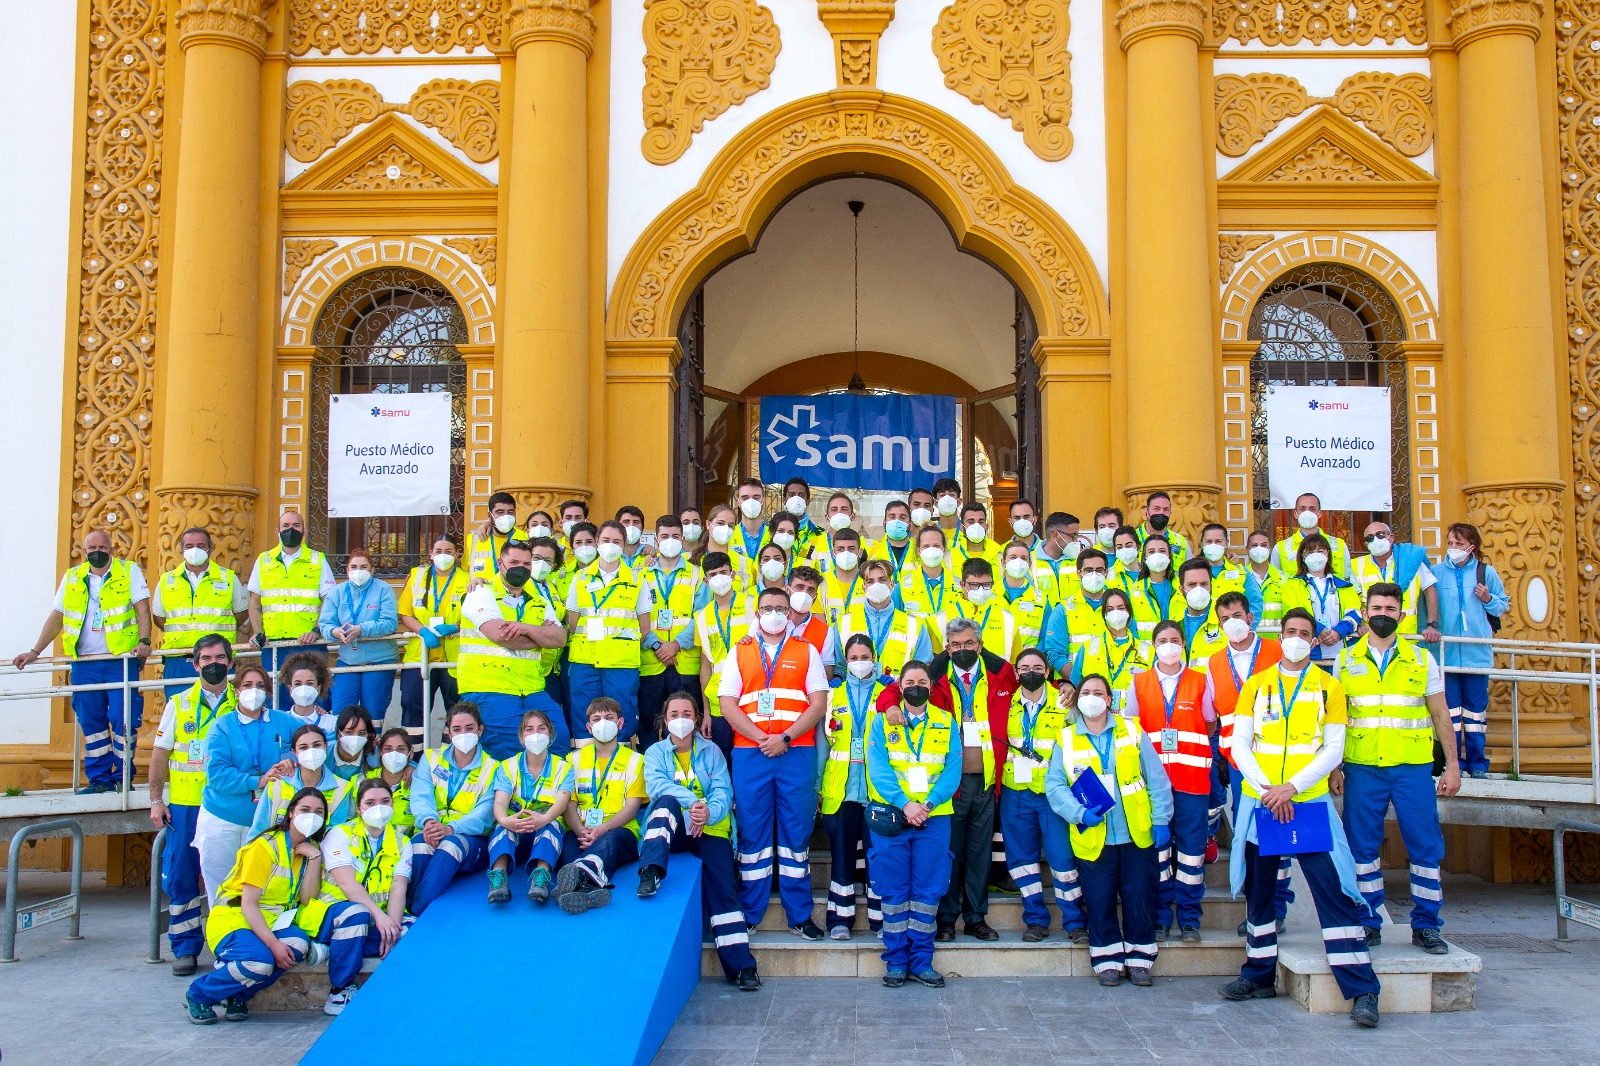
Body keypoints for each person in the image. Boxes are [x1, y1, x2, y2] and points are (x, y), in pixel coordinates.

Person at [1222, 608, 1382, 1028]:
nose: (1295, 637)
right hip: (1263, 802)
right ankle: (1257, 977)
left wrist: (1290, 789)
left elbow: (1333, 750)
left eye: (1303, 633)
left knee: (1333, 892)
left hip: (1307, 803)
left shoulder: (1330, 686)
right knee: (1260, 894)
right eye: (1289, 631)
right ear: (1281, 636)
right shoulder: (1256, 685)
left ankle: (1363, 990)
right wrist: (1270, 791)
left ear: (1313, 641)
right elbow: (1240, 745)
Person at [1336, 582, 1461, 954]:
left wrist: (1453, 766)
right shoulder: (1345, 660)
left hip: (1413, 768)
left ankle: (1426, 925)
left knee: (1425, 845)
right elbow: (1336, 721)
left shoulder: (1423, 659)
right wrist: (1333, 769)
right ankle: (1368, 920)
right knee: (1362, 847)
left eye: (1391, 609)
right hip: (1362, 768)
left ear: (1403, 615)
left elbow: (1441, 714)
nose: (1383, 615)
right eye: (1377, 608)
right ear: (1364, 612)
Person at [1046, 673, 1173, 986]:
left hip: (1136, 833)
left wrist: (1161, 819)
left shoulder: (1131, 730)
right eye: (1086, 691)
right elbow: (1054, 785)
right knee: (1100, 899)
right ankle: (1107, 961)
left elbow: (1156, 778)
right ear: (1078, 699)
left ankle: (1141, 961)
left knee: (1138, 897)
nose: (1091, 696)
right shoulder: (1066, 738)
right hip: (1094, 835)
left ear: (1109, 699)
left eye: (1098, 692)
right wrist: (1078, 813)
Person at [718, 586, 830, 938]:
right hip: (751, 753)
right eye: (767, 607)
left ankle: (800, 916)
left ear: (790, 613)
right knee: (753, 835)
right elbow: (727, 704)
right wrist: (760, 738)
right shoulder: (740, 651)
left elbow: (818, 704)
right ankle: (750, 911)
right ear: (757, 613)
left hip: (795, 752)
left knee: (796, 833)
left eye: (781, 608)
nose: (774, 613)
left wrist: (784, 738)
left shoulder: (806, 650)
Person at [13, 528, 153, 792]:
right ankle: (100, 780)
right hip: (84, 663)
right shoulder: (73, 577)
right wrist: (35, 651)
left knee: (123, 718)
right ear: (84, 551)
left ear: (112, 550)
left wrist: (144, 642)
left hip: (119, 660)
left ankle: (123, 779)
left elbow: (142, 608)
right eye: (92, 549)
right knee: (92, 722)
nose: (97, 552)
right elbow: (57, 617)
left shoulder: (128, 570)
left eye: (102, 548)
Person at [639, 691, 761, 990]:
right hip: (675, 827)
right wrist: (695, 803)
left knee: (724, 887)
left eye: (687, 714)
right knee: (665, 801)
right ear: (665, 721)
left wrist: (708, 812)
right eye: (674, 715)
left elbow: (723, 791)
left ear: (696, 718)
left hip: (710, 826)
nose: (681, 720)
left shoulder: (712, 751)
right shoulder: (655, 752)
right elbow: (656, 785)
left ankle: (741, 967)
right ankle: (651, 871)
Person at [184, 786, 329, 1025]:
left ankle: (238, 996)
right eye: (305, 809)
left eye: (318, 811)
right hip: (235, 917)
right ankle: (200, 993)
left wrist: (314, 858)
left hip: (270, 920)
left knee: (298, 945)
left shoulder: (308, 848)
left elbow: (306, 899)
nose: (311, 816)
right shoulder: (264, 846)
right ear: (291, 812)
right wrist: (273, 944)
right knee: (260, 962)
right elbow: (249, 904)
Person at [866, 660, 964, 988]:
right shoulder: (881, 723)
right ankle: (896, 961)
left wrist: (928, 804)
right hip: (893, 817)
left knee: (927, 890)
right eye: (910, 681)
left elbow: (952, 768)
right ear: (900, 686)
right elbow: (878, 768)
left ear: (931, 686)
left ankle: (922, 960)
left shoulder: (947, 721)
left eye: (922, 681)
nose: (916, 686)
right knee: (893, 889)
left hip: (933, 819)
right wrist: (905, 804)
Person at [148, 634, 240, 975]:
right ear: (195, 664)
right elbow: (160, 755)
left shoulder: (243, 702)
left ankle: (228, 944)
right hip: (186, 806)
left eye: (220, 658)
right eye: (206, 658)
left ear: (231, 663)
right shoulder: (178, 703)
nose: (213, 664)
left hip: (228, 805)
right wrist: (156, 799)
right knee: (182, 876)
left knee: (229, 876)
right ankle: (185, 949)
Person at [1207, 591, 1291, 932]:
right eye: (1225, 619)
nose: (1233, 623)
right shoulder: (1214, 662)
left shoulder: (1277, 651)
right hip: (1240, 766)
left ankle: (1278, 910)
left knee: (1278, 834)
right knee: (1249, 835)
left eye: (1238, 615)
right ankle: (1256, 908)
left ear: (1251, 617)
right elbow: (1213, 716)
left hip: (1280, 761)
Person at [1123, 620, 1213, 942]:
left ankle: (1189, 919)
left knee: (1190, 853)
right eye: (1163, 640)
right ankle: (1161, 917)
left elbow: (1209, 725)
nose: (1169, 645)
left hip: (1192, 783)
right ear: (1153, 645)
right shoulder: (1140, 682)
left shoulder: (1202, 681)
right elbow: (1131, 730)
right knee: (1158, 853)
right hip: (1153, 785)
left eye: (1175, 639)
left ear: (1184, 644)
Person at [929, 617, 1011, 942]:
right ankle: (946, 918)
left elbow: (1028, 683)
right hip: (952, 783)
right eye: (956, 645)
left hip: (986, 781)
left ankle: (976, 917)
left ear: (979, 645)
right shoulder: (936, 679)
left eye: (968, 644)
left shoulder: (998, 677)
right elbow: (894, 693)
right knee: (950, 852)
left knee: (979, 853)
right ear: (947, 649)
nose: (963, 650)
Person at [1000, 648, 1086, 943]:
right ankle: (1035, 920)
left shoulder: (1065, 703)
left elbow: (1079, 748)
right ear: (1015, 672)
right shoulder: (1004, 705)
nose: (1031, 672)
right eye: (1024, 667)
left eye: (1038, 667)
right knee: (1022, 861)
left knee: (1062, 859)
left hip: (1054, 796)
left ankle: (1074, 922)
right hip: (1016, 794)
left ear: (1048, 672)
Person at [194, 662, 297, 903]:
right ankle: (224, 939)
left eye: (260, 685)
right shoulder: (222, 726)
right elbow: (217, 774)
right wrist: (257, 781)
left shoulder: (284, 721)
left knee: (261, 891)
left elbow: (314, 741)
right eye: (248, 685)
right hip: (223, 819)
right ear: (237, 690)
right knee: (221, 893)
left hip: (265, 821)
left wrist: (293, 759)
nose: (254, 690)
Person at [458, 538, 570, 759]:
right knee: (507, 749)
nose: (522, 568)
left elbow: (559, 638)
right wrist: (540, 634)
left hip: (531, 688)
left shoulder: (538, 599)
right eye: (515, 561)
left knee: (558, 739)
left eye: (527, 564)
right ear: (500, 563)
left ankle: (547, 793)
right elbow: (500, 636)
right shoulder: (480, 592)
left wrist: (523, 628)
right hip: (489, 688)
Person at [313, 777, 411, 1016]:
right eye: (370, 802)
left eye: (385, 801)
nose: (378, 808)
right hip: (332, 913)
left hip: (373, 919)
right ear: (359, 808)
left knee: (415, 929)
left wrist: (393, 927)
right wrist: (380, 917)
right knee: (357, 914)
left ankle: (340, 948)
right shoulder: (339, 834)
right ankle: (340, 989)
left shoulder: (402, 841)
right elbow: (347, 884)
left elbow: (399, 886)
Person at [819, 636, 887, 940]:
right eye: (854, 656)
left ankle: (881, 919)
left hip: (877, 792)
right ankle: (839, 920)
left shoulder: (888, 694)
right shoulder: (833, 695)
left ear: (874, 657)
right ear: (845, 660)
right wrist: (818, 788)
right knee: (842, 856)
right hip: (841, 789)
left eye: (865, 655)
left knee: (879, 856)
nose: (860, 661)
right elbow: (823, 745)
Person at [1429, 522, 1509, 778]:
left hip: (1477, 654)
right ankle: (1454, 762)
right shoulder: (1436, 573)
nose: (1454, 548)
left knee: (1475, 712)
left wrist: (1487, 598)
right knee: (1450, 712)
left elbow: (1501, 607)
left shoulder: (1486, 573)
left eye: (1459, 544)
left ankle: (1477, 763)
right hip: (1446, 654)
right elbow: (1428, 609)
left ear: (1471, 547)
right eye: (1451, 543)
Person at [558, 697, 647, 914]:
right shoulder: (573, 760)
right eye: (596, 719)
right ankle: (589, 890)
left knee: (609, 843)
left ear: (620, 723)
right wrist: (580, 830)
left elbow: (632, 807)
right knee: (568, 858)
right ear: (588, 727)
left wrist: (601, 829)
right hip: (580, 829)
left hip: (619, 830)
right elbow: (569, 803)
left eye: (609, 717)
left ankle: (574, 885)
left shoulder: (636, 760)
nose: (603, 722)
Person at [407, 703, 498, 915]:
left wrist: (450, 828)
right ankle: (404, 909)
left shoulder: (494, 767)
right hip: (432, 829)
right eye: (457, 729)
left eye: (469, 728)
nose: (463, 733)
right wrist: (429, 822)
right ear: (448, 732)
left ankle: (416, 912)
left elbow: (485, 813)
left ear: (480, 730)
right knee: (418, 845)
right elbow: (421, 795)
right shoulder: (430, 758)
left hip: (469, 838)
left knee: (450, 846)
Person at [566, 520, 652, 741]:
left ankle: (621, 767)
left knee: (621, 717)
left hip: (621, 664)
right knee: (583, 715)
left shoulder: (637, 579)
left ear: (624, 546)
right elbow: (573, 623)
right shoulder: (580, 578)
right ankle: (584, 766)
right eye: (606, 540)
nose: (610, 545)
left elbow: (645, 627)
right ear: (596, 542)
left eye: (616, 541)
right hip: (585, 662)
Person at [246, 510, 337, 711]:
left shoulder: (318, 560)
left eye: (296, 526)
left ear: (304, 531)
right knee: (277, 701)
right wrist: (258, 632)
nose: (291, 530)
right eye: (286, 526)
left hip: (310, 644)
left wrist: (316, 630)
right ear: (277, 531)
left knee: (316, 699)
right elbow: (254, 603)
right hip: (274, 645)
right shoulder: (264, 560)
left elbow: (329, 601)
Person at [487, 708, 572, 904]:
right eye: (529, 729)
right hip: (516, 828)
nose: (535, 734)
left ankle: (540, 877)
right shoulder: (507, 766)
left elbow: (561, 801)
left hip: (543, 825)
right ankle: (498, 878)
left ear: (550, 734)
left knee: (552, 826)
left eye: (541, 729)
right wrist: (505, 819)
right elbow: (500, 802)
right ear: (521, 736)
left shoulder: (564, 767)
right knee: (501, 827)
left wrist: (544, 818)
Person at [152, 526, 249, 697]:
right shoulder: (167, 580)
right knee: (180, 714)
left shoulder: (228, 578)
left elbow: (241, 614)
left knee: (220, 713)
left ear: (211, 548)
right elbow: (159, 619)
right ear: (181, 549)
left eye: (201, 545)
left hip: (217, 661)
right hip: (179, 660)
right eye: (189, 546)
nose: (195, 550)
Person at [397, 536, 467, 751]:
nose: (443, 555)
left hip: (452, 655)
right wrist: (423, 631)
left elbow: (474, 616)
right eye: (438, 550)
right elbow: (405, 614)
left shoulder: (467, 579)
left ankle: (450, 756)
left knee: (456, 709)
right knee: (412, 704)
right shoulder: (417, 576)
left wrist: (455, 627)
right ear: (431, 554)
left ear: (457, 555)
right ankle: (413, 758)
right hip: (420, 653)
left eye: (449, 551)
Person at [638, 515, 701, 743]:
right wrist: (657, 645)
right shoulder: (640, 575)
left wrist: (675, 645)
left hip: (684, 662)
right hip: (650, 662)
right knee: (649, 725)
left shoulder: (697, 573)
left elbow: (701, 616)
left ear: (683, 539)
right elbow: (635, 616)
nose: (670, 540)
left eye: (675, 536)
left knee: (687, 725)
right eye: (664, 536)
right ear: (656, 539)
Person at [318, 547, 399, 715]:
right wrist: (335, 632)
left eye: (363, 567)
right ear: (347, 570)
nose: (358, 571)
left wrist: (362, 630)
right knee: (341, 711)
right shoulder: (336, 593)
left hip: (380, 660)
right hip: (348, 660)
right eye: (354, 567)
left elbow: (390, 623)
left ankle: (373, 740)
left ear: (372, 569)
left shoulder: (384, 589)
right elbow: (325, 624)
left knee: (373, 714)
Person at [694, 550, 753, 760]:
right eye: (713, 574)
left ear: (733, 575)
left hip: (750, 697)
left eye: (723, 572)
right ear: (706, 580)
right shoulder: (701, 617)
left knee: (749, 755)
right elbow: (705, 667)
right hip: (719, 702)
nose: (719, 578)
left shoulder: (752, 605)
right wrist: (707, 713)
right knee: (724, 757)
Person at [249, 723, 357, 837]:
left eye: (317, 745)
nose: (311, 751)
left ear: (326, 746)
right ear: (294, 752)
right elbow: (259, 828)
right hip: (277, 851)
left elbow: (335, 836)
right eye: (303, 747)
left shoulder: (342, 788)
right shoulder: (278, 781)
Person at [830, 559, 931, 679]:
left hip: (898, 696)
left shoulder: (915, 625)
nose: (876, 585)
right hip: (856, 695)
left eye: (882, 580)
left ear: (892, 584)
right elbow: (839, 668)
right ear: (864, 588)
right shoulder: (843, 623)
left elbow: (923, 669)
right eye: (870, 581)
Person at [1280, 533, 1362, 672]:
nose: (1316, 555)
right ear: (1303, 556)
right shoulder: (1292, 585)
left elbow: (1354, 613)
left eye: (1320, 551)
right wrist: (1318, 630)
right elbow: (1293, 613)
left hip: (1341, 653)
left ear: (1328, 554)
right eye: (1310, 552)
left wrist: (1338, 632)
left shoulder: (1344, 585)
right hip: (1308, 653)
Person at [1352, 520, 1441, 641]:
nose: (1376, 540)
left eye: (1380, 535)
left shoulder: (1411, 561)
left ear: (1391, 537)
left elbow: (1430, 590)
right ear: (1366, 545)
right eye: (1370, 538)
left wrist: (1432, 625)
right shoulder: (1356, 565)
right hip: (1371, 636)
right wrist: (1359, 625)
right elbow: (1351, 600)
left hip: (1406, 636)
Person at [1000, 540, 1068, 672]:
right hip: (995, 672)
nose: (1018, 562)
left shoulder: (1041, 600)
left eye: (1023, 558)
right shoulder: (990, 595)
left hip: (1029, 672)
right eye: (1013, 557)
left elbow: (1046, 638)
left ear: (1029, 564)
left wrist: (1030, 665)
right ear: (1003, 562)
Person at [931, 560, 1016, 660]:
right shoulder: (939, 619)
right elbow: (935, 662)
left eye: (986, 584)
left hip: (997, 675)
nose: (981, 590)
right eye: (974, 585)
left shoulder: (1008, 619)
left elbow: (1015, 661)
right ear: (962, 584)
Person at [1272, 492, 1353, 579]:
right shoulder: (1280, 548)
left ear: (1319, 513)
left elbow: (1348, 578)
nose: (1307, 513)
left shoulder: (1339, 545)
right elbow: (1276, 581)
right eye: (1302, 509)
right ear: (1296, 514)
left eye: (1312, 509)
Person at [1061, 548, 1113, 658]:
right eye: (1088, 570)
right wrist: (1075, 675)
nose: (1094, 575)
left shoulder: (1118, 607)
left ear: (1106, 573)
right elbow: (1055, 653)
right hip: (1072, 674)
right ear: (1079, 573)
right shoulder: (1062, 609)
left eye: (1099, 570)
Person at [1175, 559, 1226, 671]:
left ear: (1211, 586)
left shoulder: (1225, 622)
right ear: (1181, 589)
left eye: (1204, 584)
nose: (1199, 590)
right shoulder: (1175, 624)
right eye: (1192, 585)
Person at [1127, 533, 1178, 639]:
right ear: (1144, 558)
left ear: (1169, 556)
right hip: (1144, 653)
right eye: (1151, 552)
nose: (1157, 555)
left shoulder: (1181, 587)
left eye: (1162, 551)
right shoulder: (1132, 590)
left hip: (1176, 650)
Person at [368, 727, 416, 835]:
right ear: (380, 753)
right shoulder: (362, 781)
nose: (394, 754)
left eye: (401, 749)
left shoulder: (419, 785)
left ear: (410, 754)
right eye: (388, 749)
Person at [899, 525, 953, 621]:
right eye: (926, 546)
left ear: (944, 549)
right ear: (918, 551)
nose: (931, 550)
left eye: (936, 546)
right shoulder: (902, 586)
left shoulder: (958, 585)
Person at [280, 652, 336, 738]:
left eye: (309, 683)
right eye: (298, 684)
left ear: (318, 688)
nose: (303, 688)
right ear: (290, 689)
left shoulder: (331, 723)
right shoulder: (280, 721)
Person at [466, 491, 520, 580]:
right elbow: (465, 568)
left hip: (512, 593)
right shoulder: (474, 539)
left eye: (510, 512)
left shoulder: (526, 538)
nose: (505, 516)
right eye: (500, 512)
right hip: (484, 592)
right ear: (489, 515)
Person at [1031, 511, 1084, 602]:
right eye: (1073, 536)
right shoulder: (1030, 561)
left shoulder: (1079, 560)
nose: (1076, 540)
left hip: (1073, 616)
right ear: (1055, 535)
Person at [1242, 530, 1286, 634]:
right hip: (1247, 642)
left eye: (1263, 545)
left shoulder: (1285, 579)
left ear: (1270, 549)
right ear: (1247, 549)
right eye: (1254, 545)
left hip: (1277, 642)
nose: (1259, 548)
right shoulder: (1240, 577)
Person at [730, 479, 771, 591]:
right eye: (745, 498)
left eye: (756, 497)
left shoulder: (774, 535)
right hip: (736, 603)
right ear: (738, 502)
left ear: (764, 500)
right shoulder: (728, 536)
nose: (751, 502)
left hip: (767, 601)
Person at [818, 526, 864, 622]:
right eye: (840, 549)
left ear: (860, 553)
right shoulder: (821, 584)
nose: (846, 553)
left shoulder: (869, 581)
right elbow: (819, 625)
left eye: (851, 549)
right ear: (833, 553)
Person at [1196, 523, 1248, 603]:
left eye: (1218, 541)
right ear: (1202, 544)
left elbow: (1255, 602)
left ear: (1226, 543)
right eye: (1209, 541)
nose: (1213, 545)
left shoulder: (1242, 572)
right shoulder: (1191, 572)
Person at [1136, 491, 1191, 565]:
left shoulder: (1180, 542)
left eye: (1166, 509)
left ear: (1170, 513)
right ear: (1146, 511)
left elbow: (1190, 572)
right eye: (1156, 508)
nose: (1161, 513)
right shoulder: (1131, 539)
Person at [869, 499, 917, 580]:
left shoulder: (919, 550)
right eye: (892, 517)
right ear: (884, 523)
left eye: (902, 517)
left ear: (910, 524)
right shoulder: (873, 550)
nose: (897, 521)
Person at [329, 705, 376, 780]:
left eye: (361, 733)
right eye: (349, 732)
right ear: (338, 733)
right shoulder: (325, 754)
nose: (355, 738)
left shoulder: (376, 757)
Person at [953, 503, 1003, 571]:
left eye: (981, 522)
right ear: (961, 528)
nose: (976, 526)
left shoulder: (1000, 555)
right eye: (971, 522)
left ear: (987, 526)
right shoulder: (950, 556)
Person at [615, 504, 651, 569]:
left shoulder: (650, 555)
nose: (631, 526)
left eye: (636, 522)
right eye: (626, 522)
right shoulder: (610, 555)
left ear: (642, 529)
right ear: (617, 527)